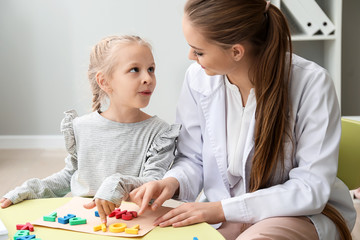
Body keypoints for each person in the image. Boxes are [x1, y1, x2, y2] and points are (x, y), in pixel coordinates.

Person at [129, 1, 356, 240]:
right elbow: (192, 157)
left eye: (199, 51)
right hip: (225, 213)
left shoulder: (312, 84)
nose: (190, 56)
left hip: (299, 214)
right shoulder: (198, 79)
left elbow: (310, 188)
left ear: (236, 51)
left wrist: (220, 209)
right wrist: (172, 182)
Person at [0, 35, 180, 225]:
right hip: (84, 221)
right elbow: (72, 175)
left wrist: (119, 183)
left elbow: (154, 182)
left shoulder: (160, 133)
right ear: (104, 82)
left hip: (134, 224)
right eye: (135, 70)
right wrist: (32, 189)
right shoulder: (81, 127)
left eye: (151, 69)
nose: (147, 78)